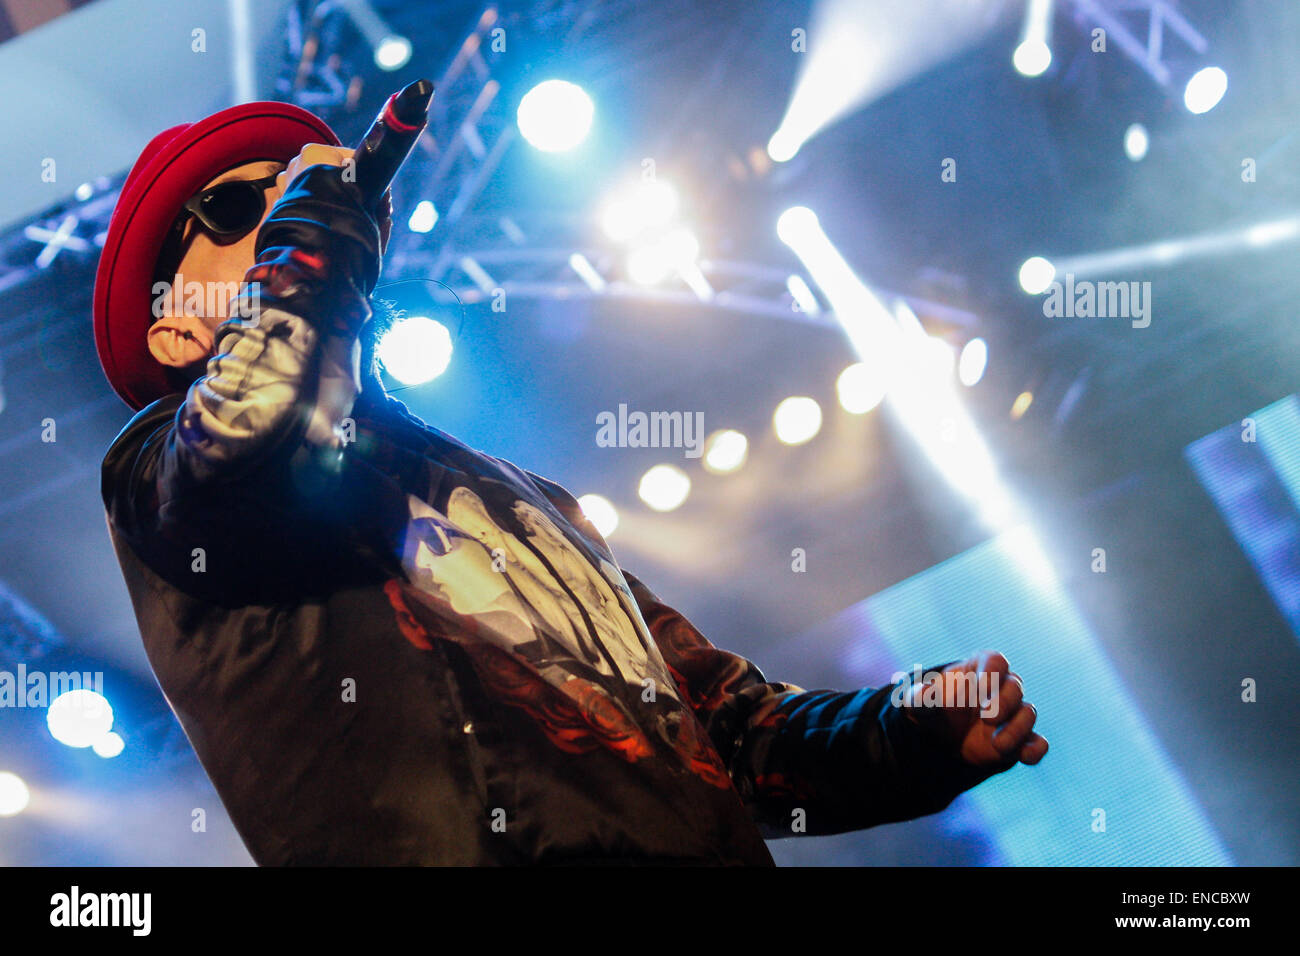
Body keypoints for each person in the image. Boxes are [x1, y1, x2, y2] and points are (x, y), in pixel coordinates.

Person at [94, 101, 1048, 866]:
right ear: (171, 328)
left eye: (296, 191)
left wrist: (910, 731)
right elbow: (260, 428)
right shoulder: (159, 477)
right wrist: (312, 227)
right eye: (234, 210)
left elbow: (725, 735)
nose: (285, 210)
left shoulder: (520, 495)